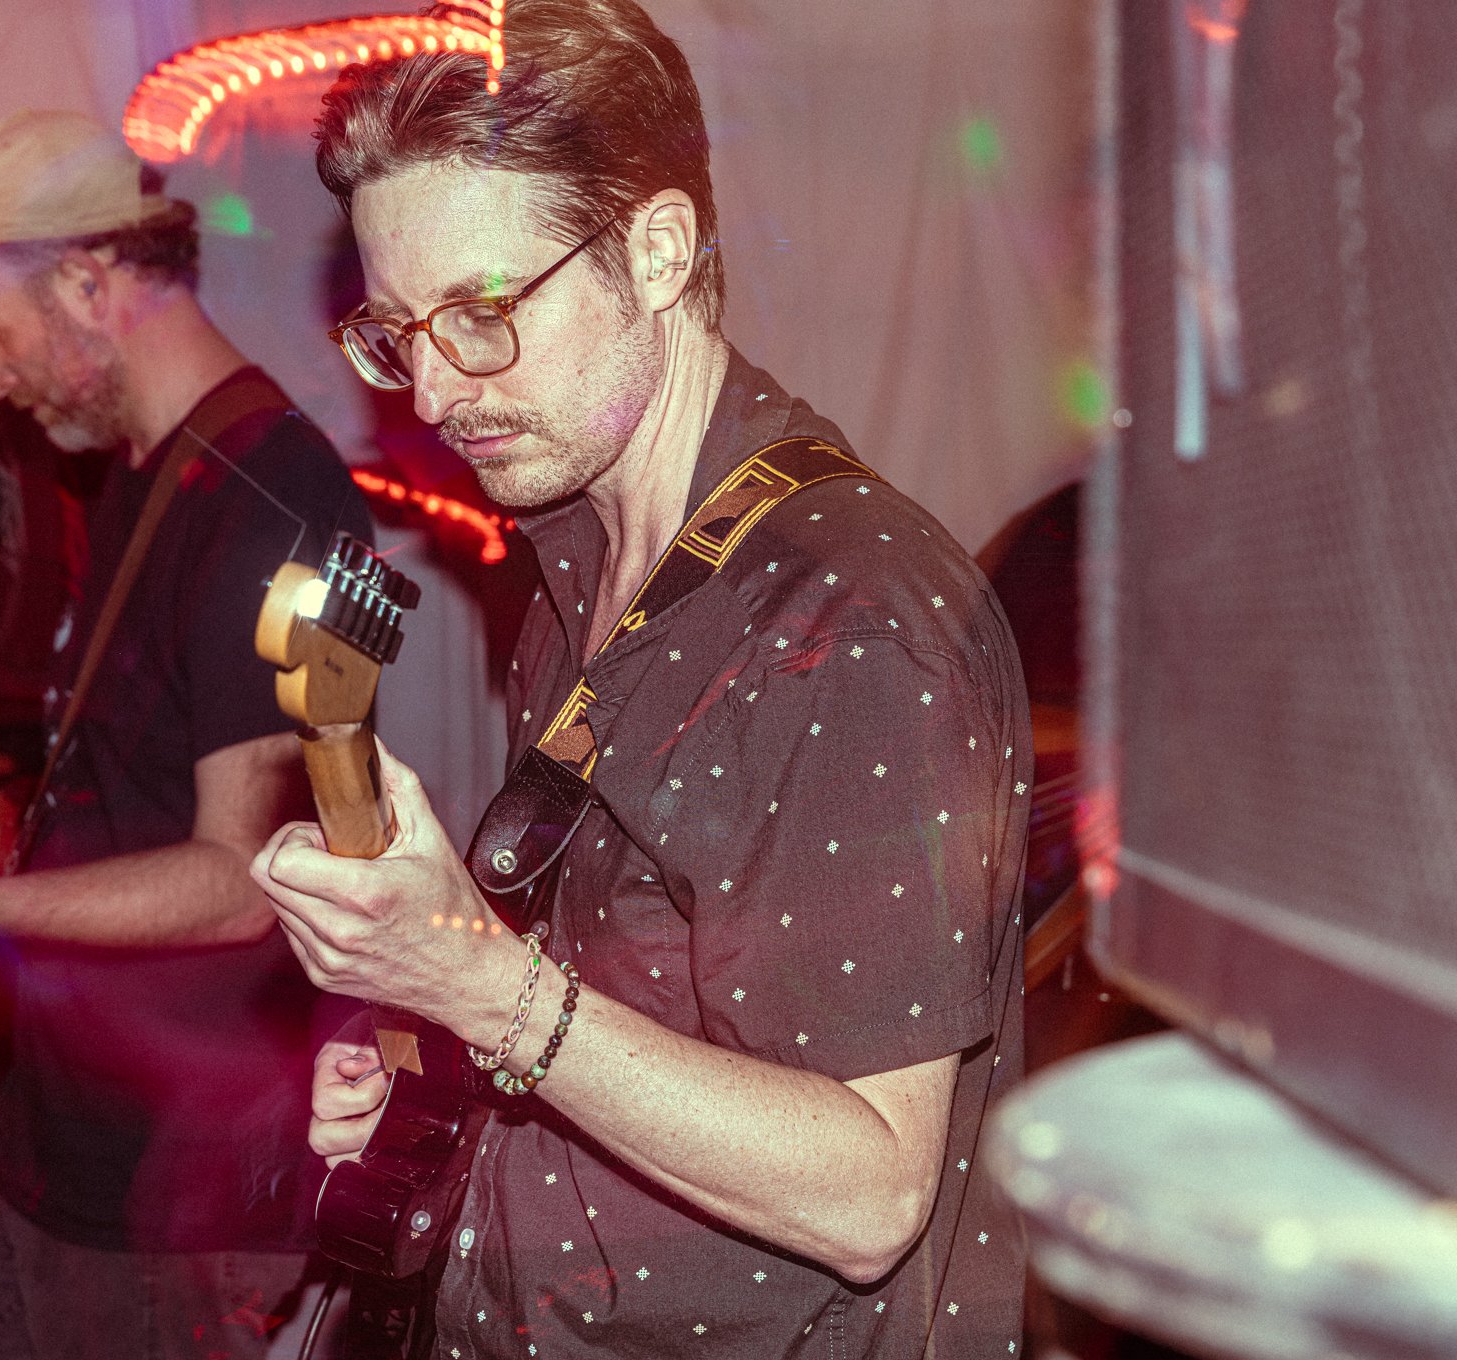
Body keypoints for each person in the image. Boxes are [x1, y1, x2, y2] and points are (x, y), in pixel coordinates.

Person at [251, 2, 1031, 1355]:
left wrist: (475, 983)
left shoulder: (848, 621)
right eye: (398, 333)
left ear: (658, 251)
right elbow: (621, 1008)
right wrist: (426, 1056)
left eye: (481, 313)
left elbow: (867, 1192)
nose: (431, 392)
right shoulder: (580, 555)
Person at [0, 109, 371, 1358]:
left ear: (91, 285)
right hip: (48, 1138)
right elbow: (132, 786)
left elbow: (243, 881)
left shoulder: (277, 502)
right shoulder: (136, 472)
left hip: (173, 1195)